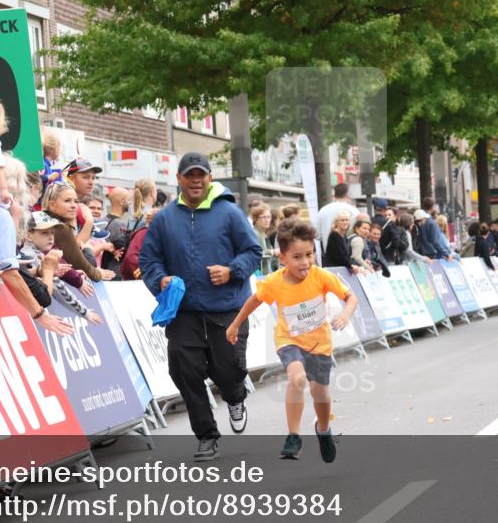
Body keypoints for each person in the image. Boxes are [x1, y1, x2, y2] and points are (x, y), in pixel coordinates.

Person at [139, 152, 261, 461]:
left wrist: (231, 270)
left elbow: (253, 251)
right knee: (184, 370)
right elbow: (149, 260)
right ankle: (206, 435)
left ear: (210, 178)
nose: (196, 181)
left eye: (201, 175)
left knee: (229, 369)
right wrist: (161, 280)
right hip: (184, 311)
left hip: (227, 308)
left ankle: (235, 397)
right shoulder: (164, 219)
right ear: (179, 179)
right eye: (190, 175)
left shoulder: (229, 212)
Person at [226, 218, 357, 463]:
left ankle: (323, 430)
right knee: (297, 379)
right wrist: (235, 324)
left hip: (319, 344)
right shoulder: (274, 282)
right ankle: (293, 436)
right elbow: (254, 301)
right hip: (289, 340)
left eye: (309, 254)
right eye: (297, 257)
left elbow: (351, 298)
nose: (305, 262)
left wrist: (345, 314)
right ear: (283, 258)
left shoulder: (321, 276)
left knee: (320, 393)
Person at [23, 212, 102, 325]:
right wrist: (84, 312)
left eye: (52, 232)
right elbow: (56, 288)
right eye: (44, 233)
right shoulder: (29, 255)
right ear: (28, 235)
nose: (51, 237)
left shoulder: (36, 254)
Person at [41, 182, 117, 282]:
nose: (73, 205)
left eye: (76, 201)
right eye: (67, 201)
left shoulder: (46, 220)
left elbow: (74, 248)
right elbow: (77, 261)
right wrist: (97, 274)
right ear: (52, 204)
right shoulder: (60, 227)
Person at [122, 189, 167, 280]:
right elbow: (131, 257)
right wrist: (146, 274)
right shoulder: (144, 233)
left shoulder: (159, 235)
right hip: (137, 282)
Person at [62, 158, 103, 245]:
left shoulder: (78, 206)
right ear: (71, 179)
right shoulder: (64, 205)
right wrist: (89, 222)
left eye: (93, 178)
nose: (91, 182)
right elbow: (73, 248)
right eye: (86, 177)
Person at [313, 183, 359, 255]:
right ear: (347, 194)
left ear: (334, 194)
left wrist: (325, 237)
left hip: (328, 253)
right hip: (349, 254)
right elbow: (358, 231)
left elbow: (316, 233)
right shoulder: (354, 211)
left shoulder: (323, 210)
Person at [250, 204, 277, 274]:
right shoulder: (254, 233)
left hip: (264, 272)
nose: (267, 220)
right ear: (255, 219)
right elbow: (258, 253)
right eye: (263, 217)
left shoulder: (262, 233)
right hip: (258, 273)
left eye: (269, 217)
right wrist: (274, 252)